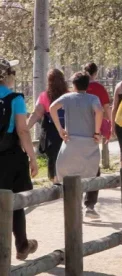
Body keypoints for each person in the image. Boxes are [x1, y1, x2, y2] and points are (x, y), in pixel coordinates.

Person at [50, 72, 103, 218]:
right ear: (88, 84)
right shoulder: (93, 98)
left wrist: (60, 129)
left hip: (71, 142)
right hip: (89, 142)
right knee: (93, 173)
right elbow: (99, 111)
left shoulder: (67, 97)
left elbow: (52, 108)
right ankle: (90, 206)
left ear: (73, 84)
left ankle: (75, 206)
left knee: (71, 174)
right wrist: (97, 132)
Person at [0, 58, 38, 260]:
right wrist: (32, 158)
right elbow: (23, 130)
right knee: (14, 202)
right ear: (8, 76)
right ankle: (21, 244)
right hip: (10, 158)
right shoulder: (15, 99)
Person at [83, 62, 112, 218]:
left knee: (79, 166)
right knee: (94, 167)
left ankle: (80, 202)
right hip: (94, 131)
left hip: (77, 132)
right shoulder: (99, 89)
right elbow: (106, 109)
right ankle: (89, 204)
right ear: (96, 72)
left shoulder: (78, 88)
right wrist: (110, 126)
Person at [27, 69, 66, 184]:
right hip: (67, 131)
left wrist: (24, 128)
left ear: (49, 82)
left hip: (51, 133)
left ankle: (55, 181)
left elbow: (36, 114)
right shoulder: (69, 95)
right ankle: (65, 181)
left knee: (53, 157)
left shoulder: (44, 96)